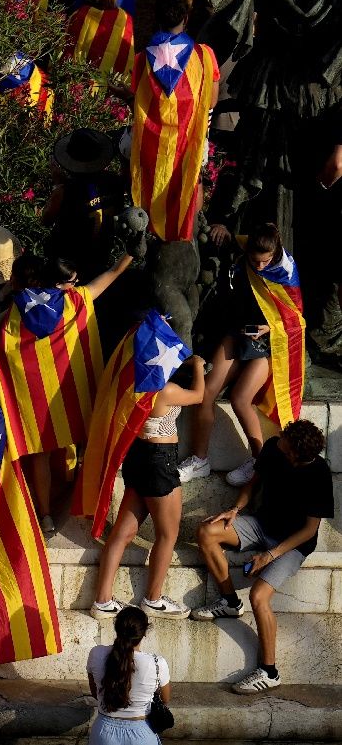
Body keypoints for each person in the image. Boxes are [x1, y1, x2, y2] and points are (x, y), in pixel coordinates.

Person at [192, 419, 331, 694]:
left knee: (258, 597)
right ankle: (229, 601)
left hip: (293, 544)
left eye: (285, 444)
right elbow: (253, 483)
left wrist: (269, 556)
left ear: (295, 457)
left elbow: (309, 530)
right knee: (207, 532)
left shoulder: (318, 473)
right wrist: (235, 509)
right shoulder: (273, 447)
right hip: (261, 525)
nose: (278, 442)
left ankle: (269, 671)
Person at [88, 314, 205, 622]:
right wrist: (198, 368)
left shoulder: (134, 385)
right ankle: (153, 599)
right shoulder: (164, 391)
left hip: (138, 457)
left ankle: (102, 601)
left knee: (123, 533)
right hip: (160, 459)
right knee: (168, 534)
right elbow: (199, 396)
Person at [86, 607, 171, 743]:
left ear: (116, 628)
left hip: (103, 733)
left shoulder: (96, 653)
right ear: (144, 633)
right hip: (142, 734)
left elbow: (95, 693)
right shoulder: (157, 663)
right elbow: (165, 699)